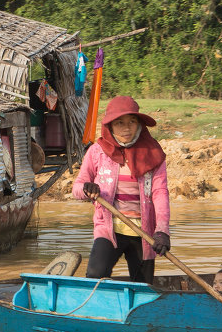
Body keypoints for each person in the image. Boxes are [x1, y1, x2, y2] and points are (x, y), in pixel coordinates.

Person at [73, 96, 170, 284]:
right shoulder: (97, 152)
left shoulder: (153, 153)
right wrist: (87, 189)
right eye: (120, 123)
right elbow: (76, 188)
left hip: (144, 232)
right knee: (95, 275)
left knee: (142, 287)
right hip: (109, 229)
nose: (126, 128)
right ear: (110, 126)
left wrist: (162, 231)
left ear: (139, 124)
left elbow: (160, 193)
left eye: (132, 122)